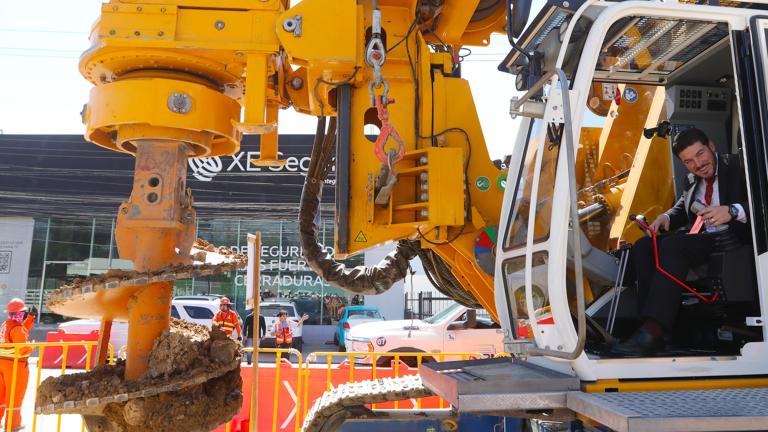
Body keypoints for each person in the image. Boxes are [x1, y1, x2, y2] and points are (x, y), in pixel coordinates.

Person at [612, 128, 750, 356]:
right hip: (702, 239)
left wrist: (732, 211)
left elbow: (761, 200)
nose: (698, 164)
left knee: (673, 246)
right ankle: (650, 329)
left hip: (730, 238)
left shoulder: (739, 167)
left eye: (701, 154)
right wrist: (666, 217)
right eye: (689, 161)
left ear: (712, 147)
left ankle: (653, 331)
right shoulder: (690, 181)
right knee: (645, 246)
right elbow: (683, 206)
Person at [0, 298, 35, 431]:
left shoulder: (7, 324)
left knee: (1, 394)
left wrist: (31, 318)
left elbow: (20, 330)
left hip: (2, 363)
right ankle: (13, 425)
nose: (25, 314)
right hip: (15, 366)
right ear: (20, 314)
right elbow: (22, 347)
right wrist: (32, 346)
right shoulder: (17, 328)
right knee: (15, 395)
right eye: (25, 313)